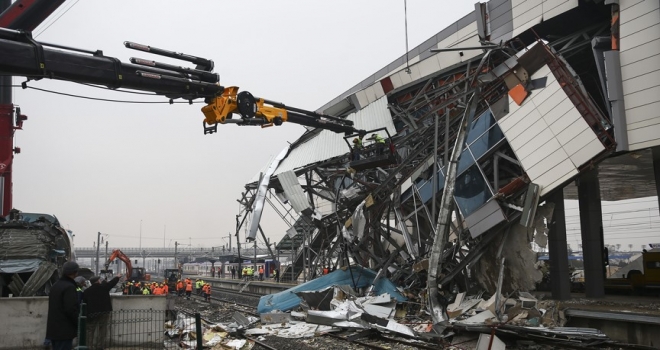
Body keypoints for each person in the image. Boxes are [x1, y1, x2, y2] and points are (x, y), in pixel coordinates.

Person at [46, 261, 80, 350]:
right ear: (75, 273)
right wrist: (78, 322)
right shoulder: (69, 287)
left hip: (54, 329)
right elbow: (70, 309)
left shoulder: (55, 285)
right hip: (64, 330)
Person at [83, 274, 121, 350]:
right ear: (98, 281)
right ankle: (100, 346)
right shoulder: (104, 287)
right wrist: (117, 277)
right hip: (104, 312)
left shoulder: (87, 291)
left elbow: (84, 302)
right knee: (102, 330)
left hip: (92, 313)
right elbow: (111, 283)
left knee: (90, 330)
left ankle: (89, 346)